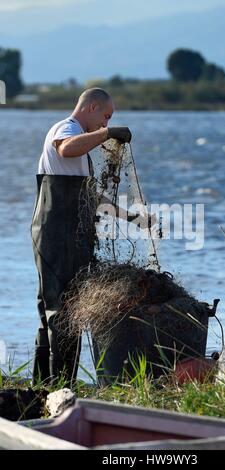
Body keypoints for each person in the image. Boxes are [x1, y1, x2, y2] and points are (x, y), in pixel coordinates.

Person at [31, 87, 132, 386]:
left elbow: (90, 197)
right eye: (105, 116)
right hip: (54, 235)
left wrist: (134, 217)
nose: (105, 124)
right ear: (91, 107)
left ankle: (46, 386)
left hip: (67, 238)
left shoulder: (79, 143)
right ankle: (59, 387)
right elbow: (66, 148)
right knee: (61, 312)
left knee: (58, 309)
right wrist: (107, 134)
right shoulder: (67, 129)